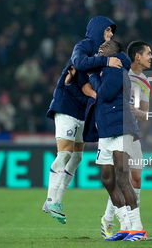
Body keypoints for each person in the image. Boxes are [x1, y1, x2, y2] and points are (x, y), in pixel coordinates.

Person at [42, 16, 122, 224]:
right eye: (107, 31)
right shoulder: (84, 46)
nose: (111, 34)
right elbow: (78, 63)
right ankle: (51, 199)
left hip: (80, 110)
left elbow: (87, 85)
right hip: (66, 105)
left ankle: (55, 201)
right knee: (65, 153)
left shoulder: (99, 55)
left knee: (76, 158)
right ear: (97, 30)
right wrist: (106, 62)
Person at [88, 40, 147, 241]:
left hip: (120, 128)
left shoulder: (116, 69)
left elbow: (103, 93)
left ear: (117, 52)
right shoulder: (106, 69)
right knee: (107, 178)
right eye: (101, 46)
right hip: (106, 130)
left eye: (107, 45)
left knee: (122, 177)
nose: (102, 47)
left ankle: (137, 227)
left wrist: (93, 77)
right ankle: (125, 226)